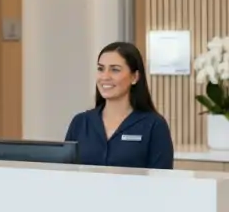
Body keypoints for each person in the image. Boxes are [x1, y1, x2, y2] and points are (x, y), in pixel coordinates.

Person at [65, 41, 174, 169]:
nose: (105, 77)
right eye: (101, 69)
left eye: (115, 70)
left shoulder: (154, 125)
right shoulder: (80, 122)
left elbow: (161, 181)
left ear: (134, 77)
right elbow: (66, 174)